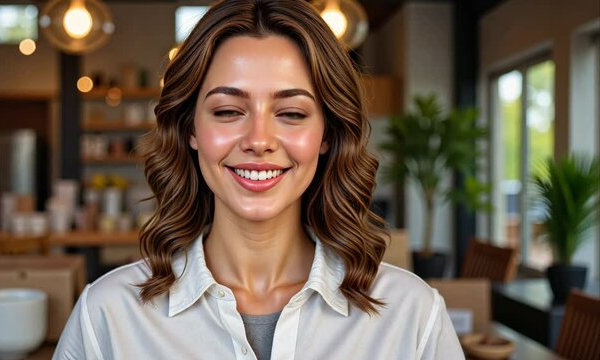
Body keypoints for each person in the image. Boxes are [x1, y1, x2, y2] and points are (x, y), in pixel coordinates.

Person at [54, 0, 464, 359]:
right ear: (191, 129)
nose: (259, 141)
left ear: (326, 135)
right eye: (229, 111)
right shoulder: (107, 315)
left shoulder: (412, 315)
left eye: (292, 113)